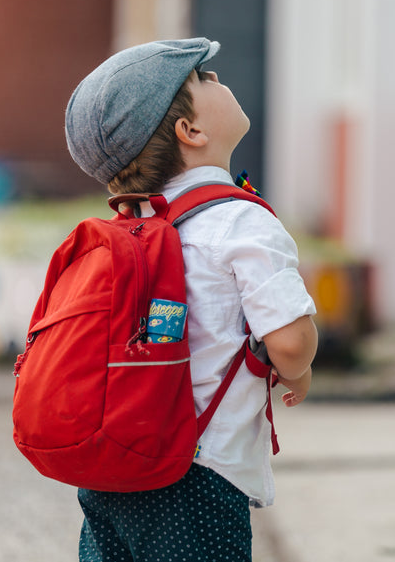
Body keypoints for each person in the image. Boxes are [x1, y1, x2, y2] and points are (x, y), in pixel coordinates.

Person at [64, 38, 318, 561]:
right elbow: (290, 341)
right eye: (205, 78)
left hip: (111, 471)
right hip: (198, 476)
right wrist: (299, 369)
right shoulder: (242, 220)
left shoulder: (130, 227)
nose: (219, 79)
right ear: (191, 131)